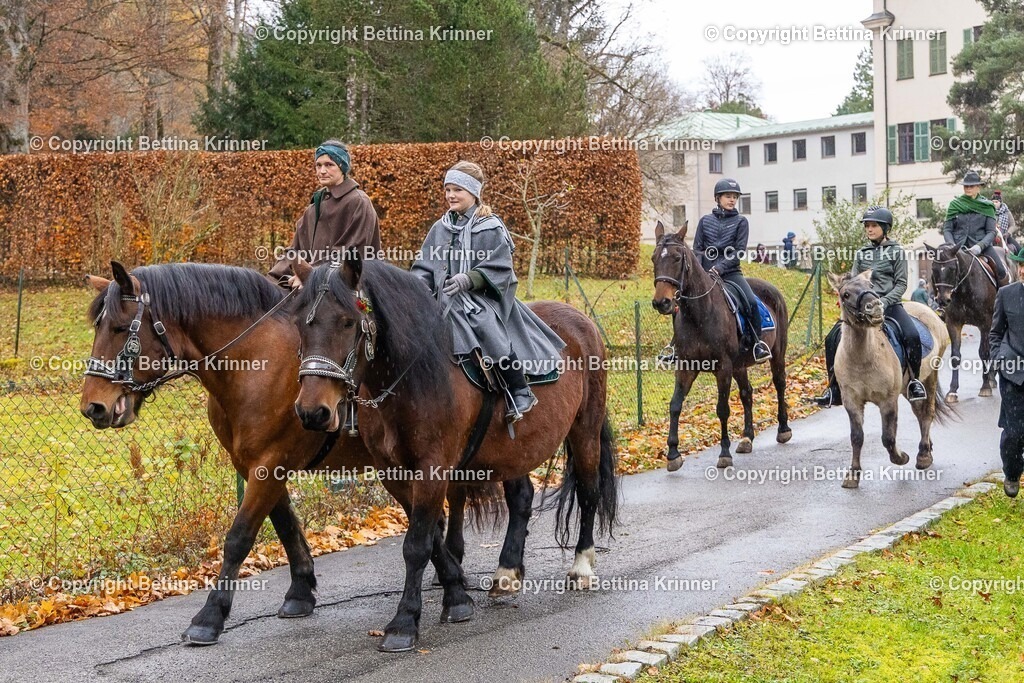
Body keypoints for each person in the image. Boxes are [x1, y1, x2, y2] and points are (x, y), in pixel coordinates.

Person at [411, 161, 565, 422]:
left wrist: (468, 279)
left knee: (484, 324)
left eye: (457, 190)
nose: (451, 195)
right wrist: (417, 287)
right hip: (443, 298)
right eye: (447, 189)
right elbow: (424, 265)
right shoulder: (440, 228)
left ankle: (519, 390)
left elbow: (502, 267)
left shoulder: (489, 226)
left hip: (481, 298)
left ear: (473, 192)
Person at [815, 206, 926, 406]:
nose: (869, 229)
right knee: (831, 338)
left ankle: (914, 382)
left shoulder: (896, 251)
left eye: (874, 225)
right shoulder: (861, 253)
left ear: (885, 228)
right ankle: (833, 389)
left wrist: (884, 301)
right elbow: (854, 282)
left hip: (889, 305)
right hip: (862, 307)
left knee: (911, 335)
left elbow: (901, 284)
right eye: (867, 226)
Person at [268, 139, 381, 288]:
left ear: (342, 167)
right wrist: (268, 283)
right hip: (314, 287)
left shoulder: (359, 202)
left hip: (350, 290)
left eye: (329, 165)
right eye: (318, 165)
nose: (322, 171)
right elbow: (294, 252)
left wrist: (309, 275)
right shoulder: (313, 209)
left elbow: (350, 256)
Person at [693, 178, 771, 363]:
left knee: (751, 302)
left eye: (735, 197)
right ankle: (674, 347)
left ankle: (757, 344)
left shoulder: (741, 221)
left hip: (731, 273)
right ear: (718, 198)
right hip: (705, 273)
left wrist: (720, 268)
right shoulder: (705, 221)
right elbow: (697, 249)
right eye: (728, 196)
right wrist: (701, 270)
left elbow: (739, 251)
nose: (732, 200)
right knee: (683, 302)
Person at [989, 250, 1024, 498]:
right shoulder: (1006, 294)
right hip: (1013, 373)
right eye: (1021, 266)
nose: (1021, 270)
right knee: (1013, 433)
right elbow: (995, 333)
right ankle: (1012, 472)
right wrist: (999, 360)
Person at [942, 170, 1006, 282]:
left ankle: (1001, 293)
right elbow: (947, 229)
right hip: (957, 247)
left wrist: (979, 246)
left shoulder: (988, 206)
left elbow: (991, 232)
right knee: (940, 269)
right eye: (966, 186)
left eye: (971, 186)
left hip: (981, 246)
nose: (968, 188)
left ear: (978, 187)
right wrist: (952, 246)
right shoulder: (954, 205)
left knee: (1001, 271)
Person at [993, 190, 1020, 255]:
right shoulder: (989, 211)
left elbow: (1013, 225)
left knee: (1020, 250)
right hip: (992, 235)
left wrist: (1008, 233)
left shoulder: (1007, 212)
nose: (994, 204)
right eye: (993, 202)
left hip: (1005, 236)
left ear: (1000, 202)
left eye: (996, 202)